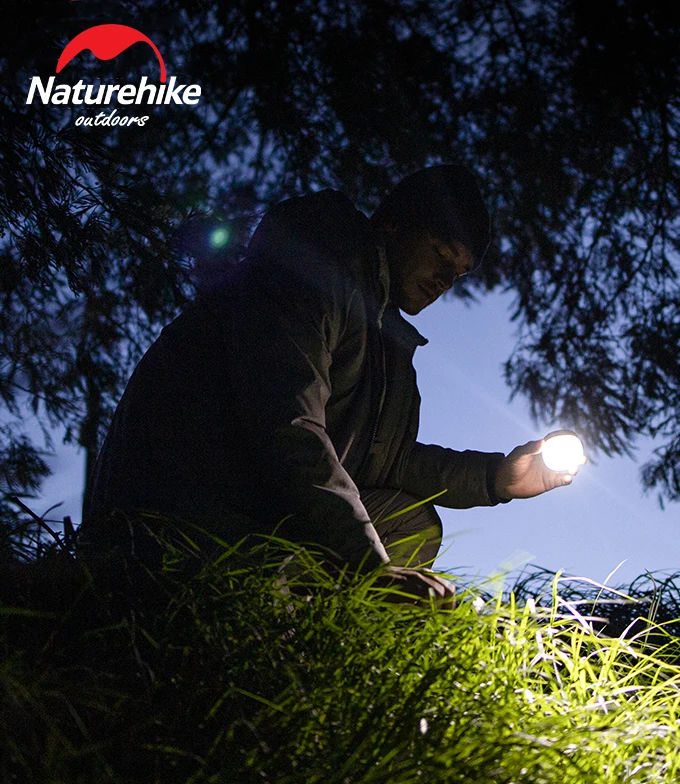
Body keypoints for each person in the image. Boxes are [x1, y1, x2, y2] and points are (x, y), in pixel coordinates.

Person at [82, 165, 582, 605]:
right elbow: (286, 423)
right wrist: (369, 570)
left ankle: (304, 619)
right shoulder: (314, 268)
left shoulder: (385, 343)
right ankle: (249, 614)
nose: (443, 280)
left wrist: (498, 478)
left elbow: (388, 461)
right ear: (392, 223)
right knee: (370, 544)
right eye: (440, 255)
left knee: (410, 524)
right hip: (179, 505)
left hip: (251, 504)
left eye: (458, 273)